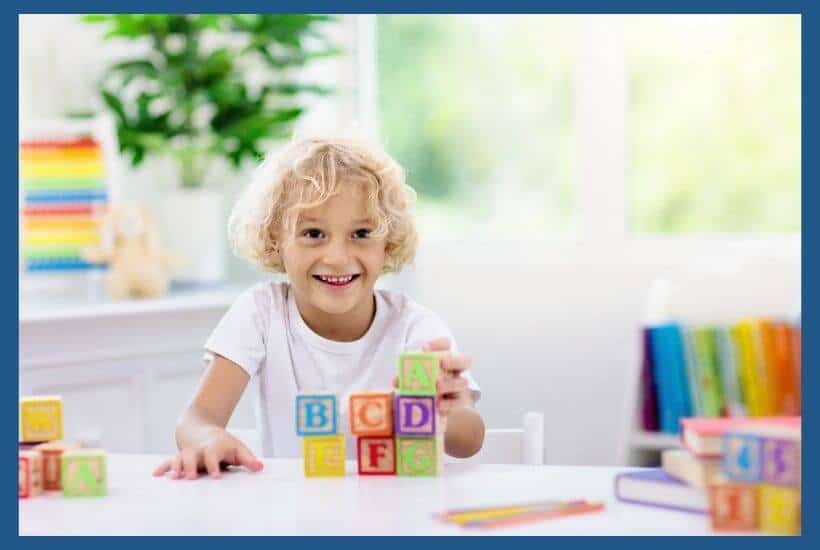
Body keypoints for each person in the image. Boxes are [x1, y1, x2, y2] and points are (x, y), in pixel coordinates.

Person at [153, 137, 485, 479]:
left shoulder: (416, 328)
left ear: (388, 244)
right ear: (274, 242)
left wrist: (448, 410)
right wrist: (209, 438)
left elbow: (467, 441)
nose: (338, 258)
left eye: (361, 233)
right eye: (313, 233)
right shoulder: (261, 313)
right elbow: (197, 420)